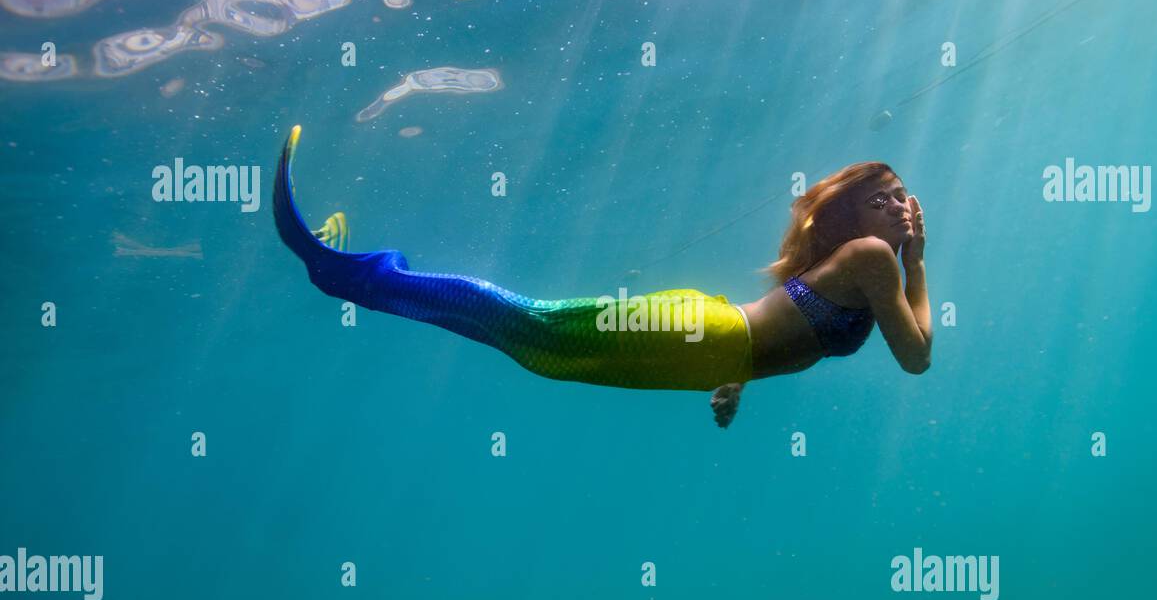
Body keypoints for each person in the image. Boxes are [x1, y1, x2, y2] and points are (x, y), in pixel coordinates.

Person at [273, 126, 931, 428]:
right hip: (697, 331)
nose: (900, 207)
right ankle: (347, 273)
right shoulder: (875, 261)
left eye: (902, 196)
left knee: (538, 346)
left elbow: (785, 323)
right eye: (883, 198)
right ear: (850, 217)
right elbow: (916, 358)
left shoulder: (854, 271)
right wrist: (917, 263)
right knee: (534, 329)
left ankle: (358, 276)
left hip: (707, 349)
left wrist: (737, 381)